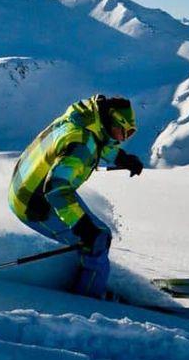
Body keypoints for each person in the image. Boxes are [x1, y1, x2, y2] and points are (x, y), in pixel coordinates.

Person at [9, 94, 144, 300]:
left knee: (96, 233)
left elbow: (97, 143)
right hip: (34, 202)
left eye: (130, 134)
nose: (122, 139)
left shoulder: (85, 119)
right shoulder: (81, 144)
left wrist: (122, 158)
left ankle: (87, 274)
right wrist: (82, 226)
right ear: (111, 121)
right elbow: (56, 187)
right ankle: (88, 298)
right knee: (97, 239)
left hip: (28, 182)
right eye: (123, 132)